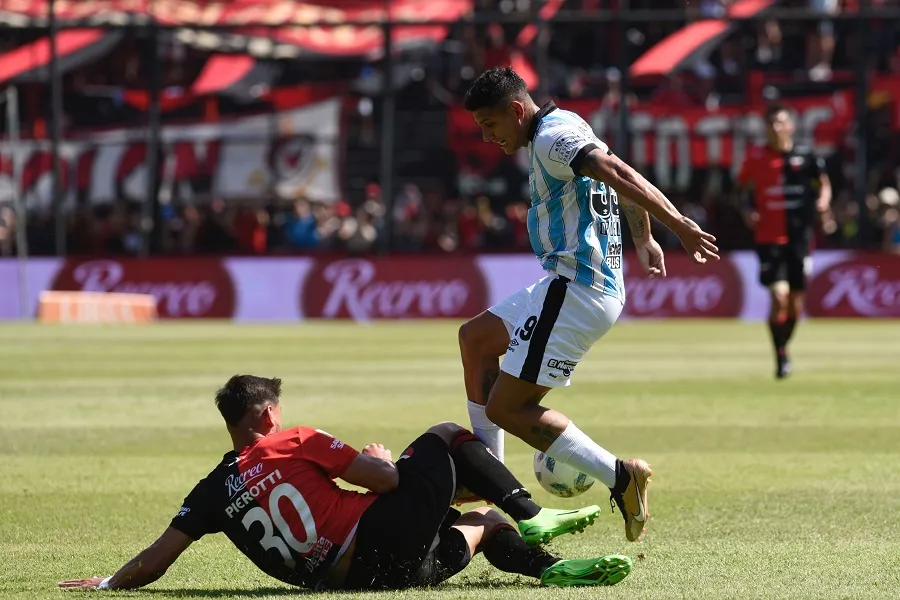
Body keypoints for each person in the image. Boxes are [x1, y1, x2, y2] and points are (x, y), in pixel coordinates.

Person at [457, 67, 720, 542]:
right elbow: (621, 174)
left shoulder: (548, 139)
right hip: (570, 284)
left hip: (577, 290)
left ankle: (622, 477)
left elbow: (617, 174)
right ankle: (487, 473)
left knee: (507, 409)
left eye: (489, 124)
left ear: (517, 110)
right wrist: (644, 237)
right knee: (475, 339)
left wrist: (678, 225)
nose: (486, 136)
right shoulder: (567, 123)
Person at [58, 375, 632, 593]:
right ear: (264, 418)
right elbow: (384, 482)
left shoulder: (212, 489)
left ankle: (548, 568)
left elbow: (159, 559)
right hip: (381, 540)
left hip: (361, 581)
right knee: (446, 434)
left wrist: (109, 583)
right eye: (277, 412)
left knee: (479, 524)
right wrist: (379, 458)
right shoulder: (293, 438)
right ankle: (535, 515)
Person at [737, 103, 831, 378]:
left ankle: (783, 346)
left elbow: (823, 182)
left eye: (780, 123)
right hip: (769, 238)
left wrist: (824, 202)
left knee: (795, 305)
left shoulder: (806, 156)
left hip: (800, 239)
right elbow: (741, 191)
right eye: (771, 124)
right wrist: (747, 211)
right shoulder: (755, 158)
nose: (775, 128)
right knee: (779, 297)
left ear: (790, 126)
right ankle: (780, 356)